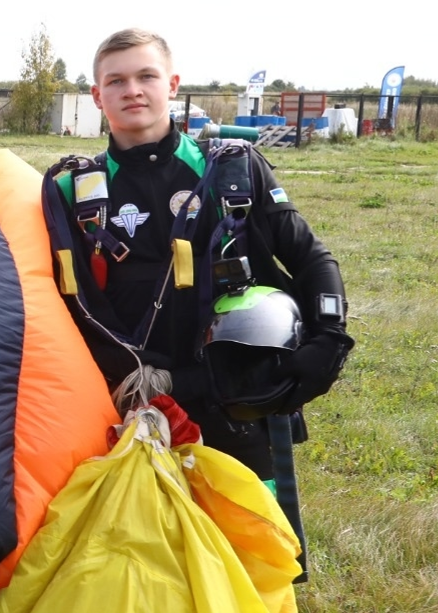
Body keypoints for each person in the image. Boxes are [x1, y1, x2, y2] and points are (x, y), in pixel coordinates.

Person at [45, 28, 354, 483]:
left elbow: (309, 257)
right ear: (97, 95)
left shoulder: (233, 170)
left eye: (146, 76)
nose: (132, 90)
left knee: (251, 523)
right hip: (130, 402)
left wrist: (330, 337)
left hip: (235, 398)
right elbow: (65, 307)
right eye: (116, 81)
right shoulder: (71, 192)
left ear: (172, 85)